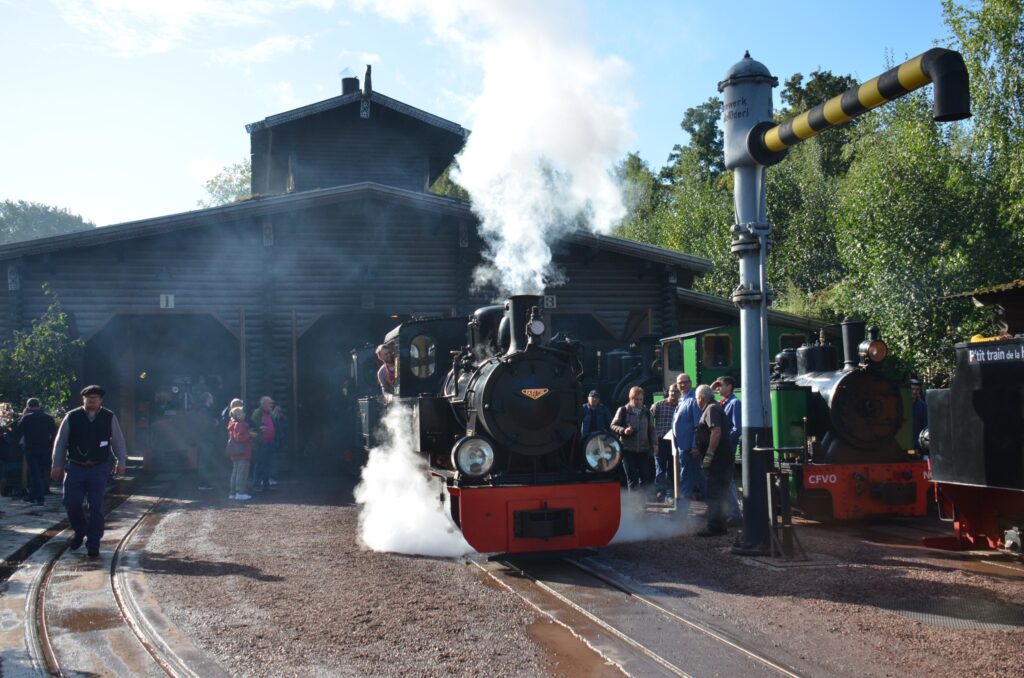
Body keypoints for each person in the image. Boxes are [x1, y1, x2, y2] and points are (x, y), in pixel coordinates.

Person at [50, 385, 127, 557]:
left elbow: (118, 440)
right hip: (75, 467)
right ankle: (79, 530)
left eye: (96, 397)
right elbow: (61, 442)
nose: (92, 399)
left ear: (101, 400)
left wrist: (121, 461)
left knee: (96, 506)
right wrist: (57, 464)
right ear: (83, 398)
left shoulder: (109, 416)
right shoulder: (72, 416)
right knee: (71, 502)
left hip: (99, 468)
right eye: (89, 397)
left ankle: (93, 543)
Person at [694, 384, 730, 537]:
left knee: (713, 492)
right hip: (721, 457)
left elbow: (716, 432)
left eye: (697, 398)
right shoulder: (713, 407)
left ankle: (714, 526)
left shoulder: (711, 409)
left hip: (718, 459)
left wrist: (709, 454)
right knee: (718, 493)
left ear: (700, 398)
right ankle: (720, 525)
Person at [611, 386, 657, 493]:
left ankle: (644, 502)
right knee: (632, 478)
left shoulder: (646, 412)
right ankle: (634, 503)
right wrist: (624, 430)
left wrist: (655, 444)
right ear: (630, 398)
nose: (639, 402)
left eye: (641, 399)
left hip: (644, 450)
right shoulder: (622, 410)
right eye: (636, 399)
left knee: (645, 477)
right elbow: (613, 425)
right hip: (628, 450)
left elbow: (652, 430)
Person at [713, 377, 744, 525]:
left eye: (721, 386)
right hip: (722, 447)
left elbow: (737, 428)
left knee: (728, 480)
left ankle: (735, 514)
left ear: (730, 387)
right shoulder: (723, 403)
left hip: (728, 447)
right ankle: (730, 512)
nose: (718, 389)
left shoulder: (735, 403)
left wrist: (724, 440)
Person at [15, 398, 57, 506]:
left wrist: (23, 416)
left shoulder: (27, 418)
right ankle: (32, 496)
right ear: (39, 405)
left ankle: (40, 498)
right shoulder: (48, 418)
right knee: (40, 473)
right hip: (45, 448)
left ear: (28, 406)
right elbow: (54, 434)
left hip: (31, 448)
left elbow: (18, 431)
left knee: (34, 474)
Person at [672, 373, 704, 501]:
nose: (683, 385)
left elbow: (698, 425)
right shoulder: (681, 400)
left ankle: (682, 512)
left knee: (686, 478)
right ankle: (714, 508)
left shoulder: (693, 400)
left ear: (690, 383)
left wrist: (695, 446)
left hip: (689, 447)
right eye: (680, 383)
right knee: (698, 477)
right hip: (682, 446)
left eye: (685, 382)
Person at [650, 384, 680, 501]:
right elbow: (650, 421)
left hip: (674, 440)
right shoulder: (659, 405)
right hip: (661, 440)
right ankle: (659, 492)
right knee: (660, 467)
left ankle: (670, 492)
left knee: (673, 468)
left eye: (675, 392)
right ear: (668, 392)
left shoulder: (680, 406)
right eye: (672, 391)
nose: (673, 394)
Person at [250, 396, 279, 492]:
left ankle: (266, 485)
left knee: (268, 465)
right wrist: (260, 429)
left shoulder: (269, 413)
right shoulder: (257, 413)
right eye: (270, 403)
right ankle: (256, 485)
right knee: (260, 464)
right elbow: (253, 426)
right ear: (264, 404)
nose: (271, 405)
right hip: (261, 444)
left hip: (270, 443)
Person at [194, 392, 218, 491]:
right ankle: (203, 483)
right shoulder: (204, 410)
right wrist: (214, 423)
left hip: (204, 439)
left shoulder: (201, 410)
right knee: (204, 462)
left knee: (204, 462)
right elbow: (205, 424)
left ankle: (204, 482)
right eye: (211, 397)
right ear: (208, 399)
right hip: (206, 439)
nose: (212, 399)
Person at [227, 407, 253, 501]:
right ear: (237, 415)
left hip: (236, 452)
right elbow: (239, 438)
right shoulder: (240, 425)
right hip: (243, 452)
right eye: (242, 413)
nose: (244, 414)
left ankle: (233, 492)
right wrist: (250, 434)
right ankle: (240, 492)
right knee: (242, 473)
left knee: (235, 473)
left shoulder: (232, 424)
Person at [910, 379, 928, 455]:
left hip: (917, 444)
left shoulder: (923, 406)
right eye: (912, 389)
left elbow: (926, 426)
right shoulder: (897, 404)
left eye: (917, 390)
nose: (914, 392)